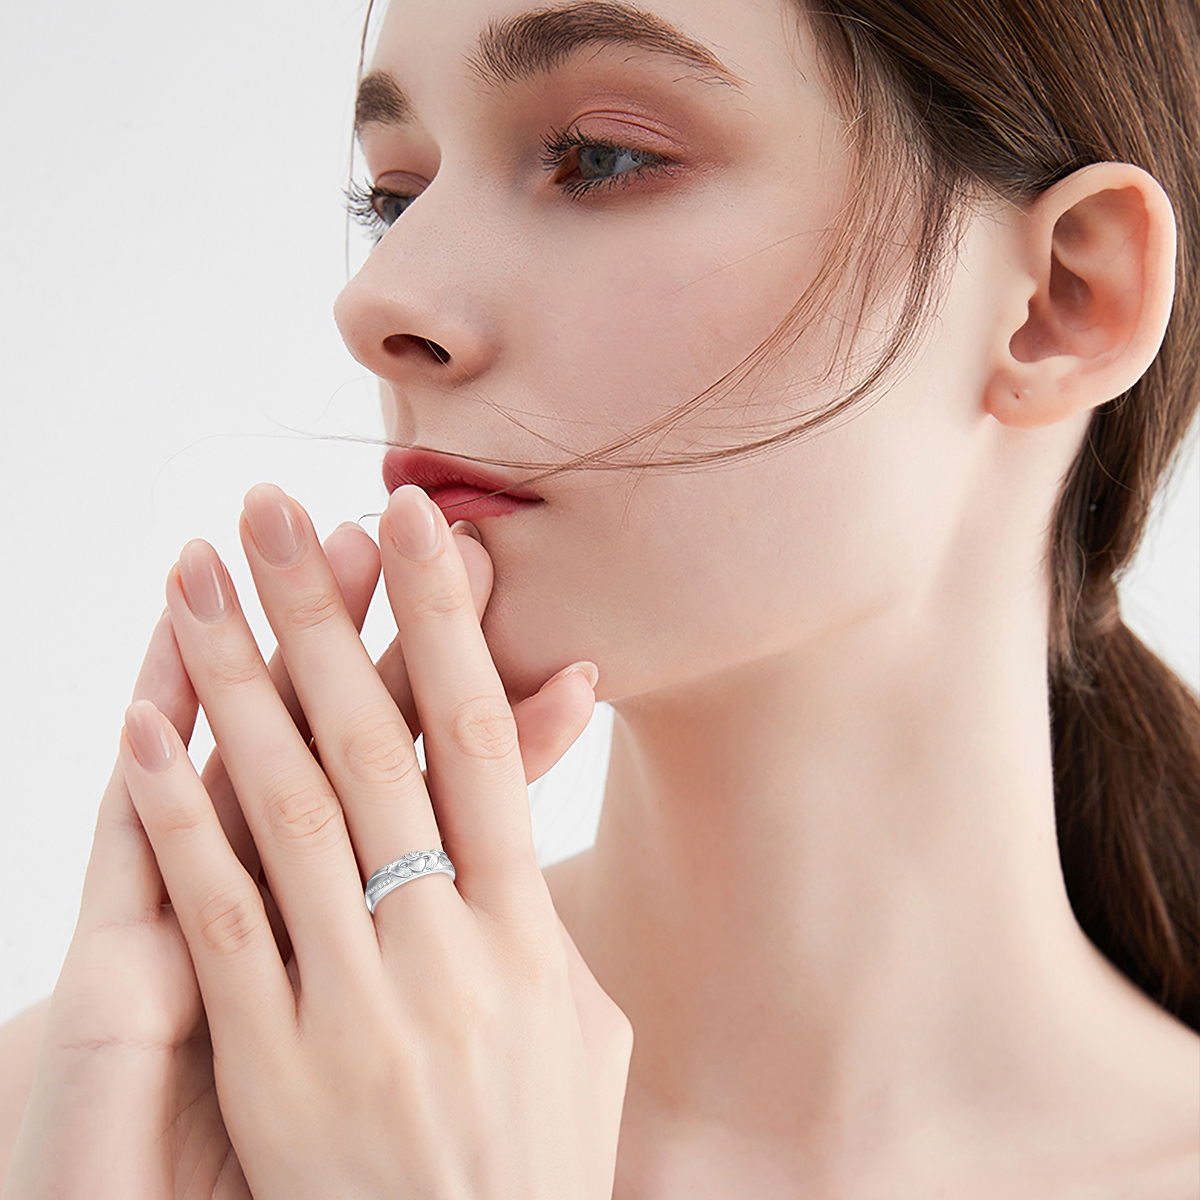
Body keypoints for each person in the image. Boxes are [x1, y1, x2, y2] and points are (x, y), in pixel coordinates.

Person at [2, 0, 1198, 1195]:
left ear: (1064, 295)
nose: (377, 305)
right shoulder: (88, 1119)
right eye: (395, 197)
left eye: (603, 159)